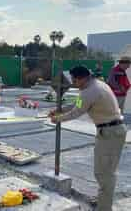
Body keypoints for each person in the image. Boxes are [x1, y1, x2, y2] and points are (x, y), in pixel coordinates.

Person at [49, 66, 126, 211]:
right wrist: (60, 110)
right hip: (110, 132)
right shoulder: (95, 85)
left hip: (110, 133)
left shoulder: (91, 91)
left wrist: (57, 119)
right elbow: (78, 104)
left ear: (82, 78)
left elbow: (77, 112)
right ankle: (103, 199)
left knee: (105, 174)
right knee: (103, 171)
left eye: (74, 80)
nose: (73, 82)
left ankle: (104, 207)